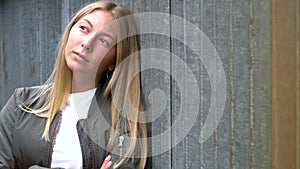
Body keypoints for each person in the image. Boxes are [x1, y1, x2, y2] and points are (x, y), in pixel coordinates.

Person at [0, 1, 149, 169]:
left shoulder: (123, 119)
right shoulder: (22, 105)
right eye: (84, 29)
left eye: (103, 41)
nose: (87, 43)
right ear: (69, 31)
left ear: (114, 61)